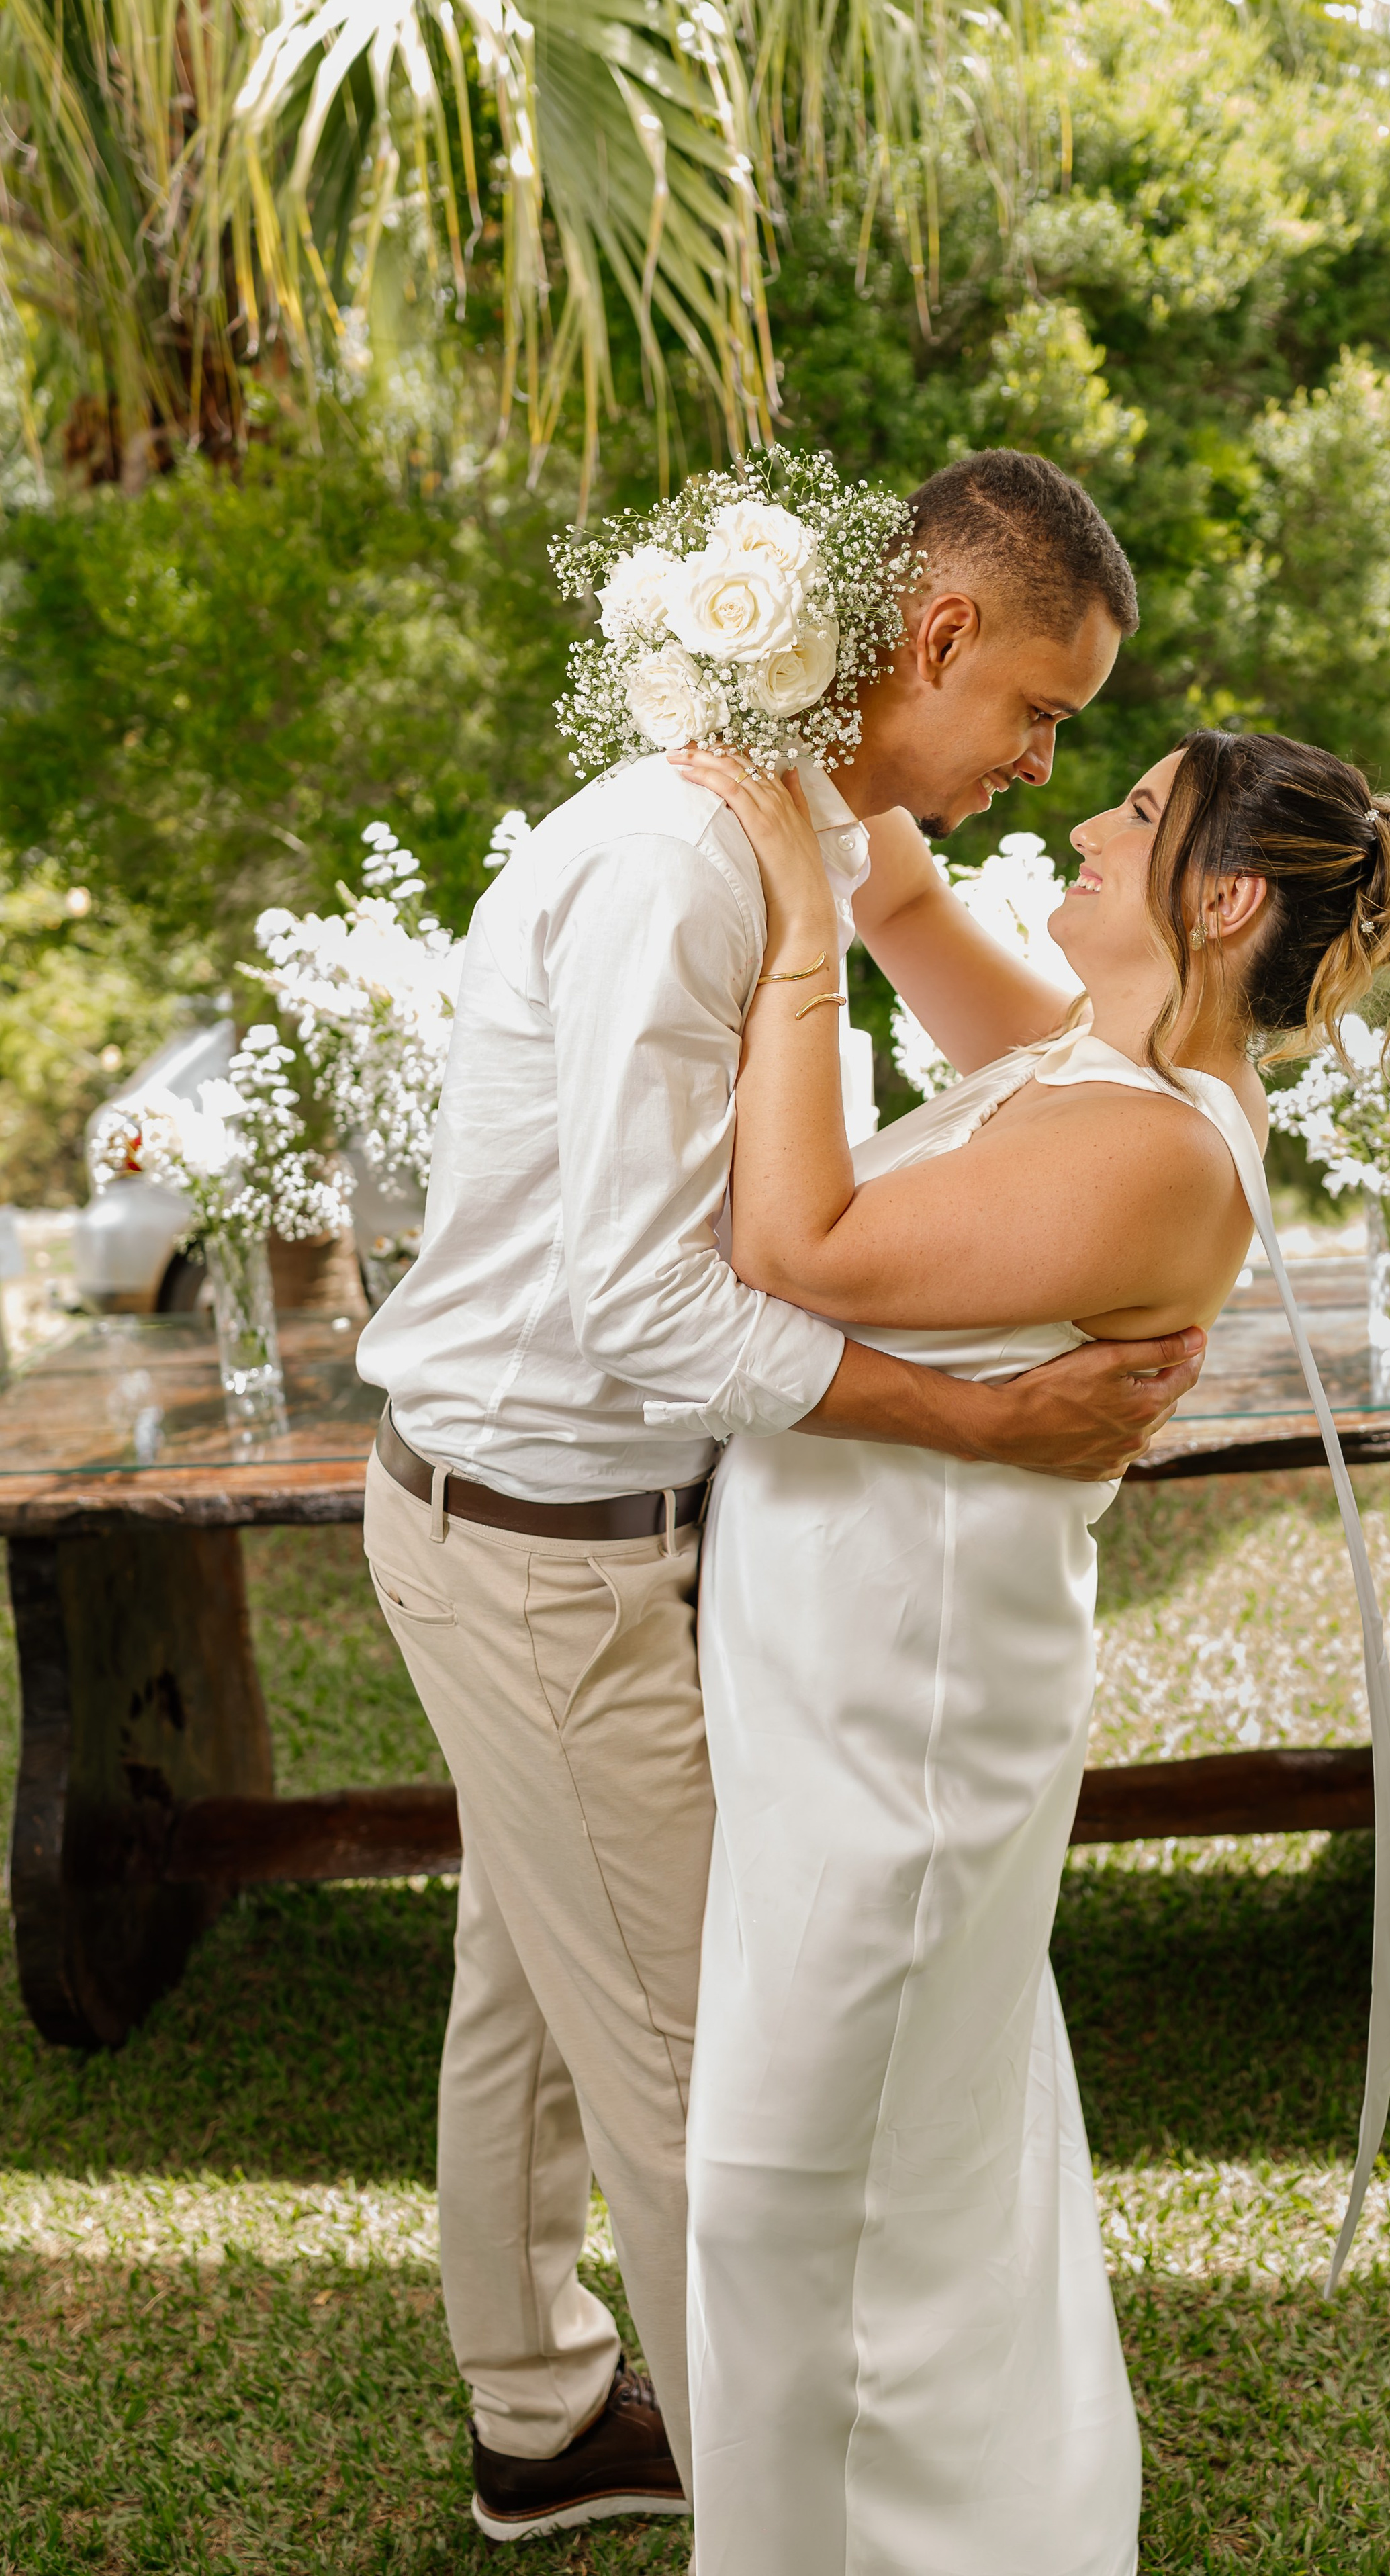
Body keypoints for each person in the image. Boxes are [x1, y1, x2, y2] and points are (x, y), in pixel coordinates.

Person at [355, 451, 1207, 2542]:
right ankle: (787, 2516)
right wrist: (979, 1421)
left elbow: (921, 1137)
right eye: (1039, 710)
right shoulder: (689, 861)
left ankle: (538, 2420)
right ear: (932, 640)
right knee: (694, 2098)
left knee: (525, 1990)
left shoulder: (791, 842)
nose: (1035, 764)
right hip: (554, 1551)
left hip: (506, 1516)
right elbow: (650, 1303)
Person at [671, 724, 1390, 2576]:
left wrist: (786, 934)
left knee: (792, 2194)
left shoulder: (1163, 1152)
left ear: (1226, 895)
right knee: (870, 2190)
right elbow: (913, 886)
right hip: (843, 1706)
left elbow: (799, 1243)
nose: (1088, 823)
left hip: (909, 1751)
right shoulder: (1083, 1061)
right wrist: (776, 707)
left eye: (1143, 814)